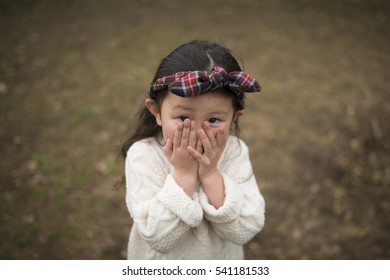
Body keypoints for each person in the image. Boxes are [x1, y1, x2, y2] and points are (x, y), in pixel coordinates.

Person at [121, 40, 265, 259]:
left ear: (235, 116)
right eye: (183, 118)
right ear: (156, 112)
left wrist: (210, 174)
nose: (198, 131)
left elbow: (245, 230)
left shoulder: (235, 152)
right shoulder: (143, 155)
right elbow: (158, 237)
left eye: (214, 119)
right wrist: (184, 174)